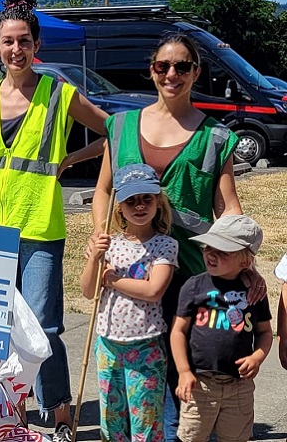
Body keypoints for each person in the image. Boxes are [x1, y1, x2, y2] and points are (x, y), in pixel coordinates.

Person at [89, 33, 267, 441]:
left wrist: (246, 261)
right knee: (137, 373)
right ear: (151, 70)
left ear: (196, 72)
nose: (172, 74)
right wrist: (101, 239)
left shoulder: (216, 135)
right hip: (133, 269)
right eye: (163, 66)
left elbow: (228, 206)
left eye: (182, 67)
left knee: (181, 369)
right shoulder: (119, 127)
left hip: (192, 274)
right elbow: (103, 190)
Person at [0, 0, 108, 441]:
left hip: (41, 227)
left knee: (44, 327)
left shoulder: (59, 94)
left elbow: (115, 131)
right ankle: (15, 414)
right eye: (8, 41)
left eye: (24, 40)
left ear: (36, 45)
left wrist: (72, 160)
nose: (16, 49)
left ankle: (59, 412)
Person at [80, 164, 177, 442]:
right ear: (119, 206)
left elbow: (153, 290)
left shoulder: (165, 245)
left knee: (145, 423)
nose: (139, 206)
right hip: (107, 346)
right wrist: (94, 260)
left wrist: (110, 279)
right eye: (131, 200)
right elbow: (88, 291)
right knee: (111, 423)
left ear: (158, 201)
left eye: (147, 198)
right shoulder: (108, 244)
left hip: (145, 348)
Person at [170, 215, 272, 442]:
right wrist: (184, 371)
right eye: (208, 247)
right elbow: (178, 331)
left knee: (235, 437)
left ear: (245, 261)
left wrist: (257, 356)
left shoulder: (254, 292)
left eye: (223, 251)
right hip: (199, 383)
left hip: (239, 387)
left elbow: (265, 332)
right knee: (191, 437)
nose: (211, 254)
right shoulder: (194, 285)